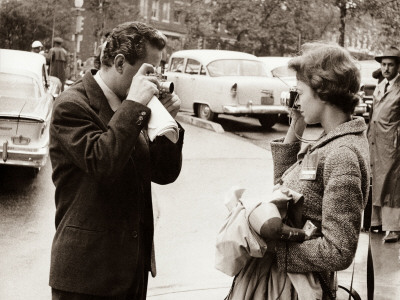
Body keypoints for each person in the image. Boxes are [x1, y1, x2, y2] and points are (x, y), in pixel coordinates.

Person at [49, 21, 184, 300]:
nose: (155, 80)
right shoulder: (71, 105)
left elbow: (164, 173)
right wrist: (134, 106)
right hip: (87, 276)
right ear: (120, 63)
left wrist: (169, 125)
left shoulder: (134, 107)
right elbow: (102, 162)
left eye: (159, 71)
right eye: (149, 71)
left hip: (131, 272)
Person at [227, 42, 370, 299]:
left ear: (323, 92)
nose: (297, 99)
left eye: (301, 92)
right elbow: (285, 188)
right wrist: (296, 127)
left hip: (299, 288)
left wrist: (274, 249)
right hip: (290, 283)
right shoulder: (333, 139)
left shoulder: (342, 154)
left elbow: (339, 250)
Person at [368, 46, 400, 242]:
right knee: (378, 179)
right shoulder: (381, 86)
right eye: (383, 65)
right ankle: (377, 222)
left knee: (393, 183)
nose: (386, 68)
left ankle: (394, 227)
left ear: (398, 66)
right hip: (376, 140)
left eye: (390, 65)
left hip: (393, 142)